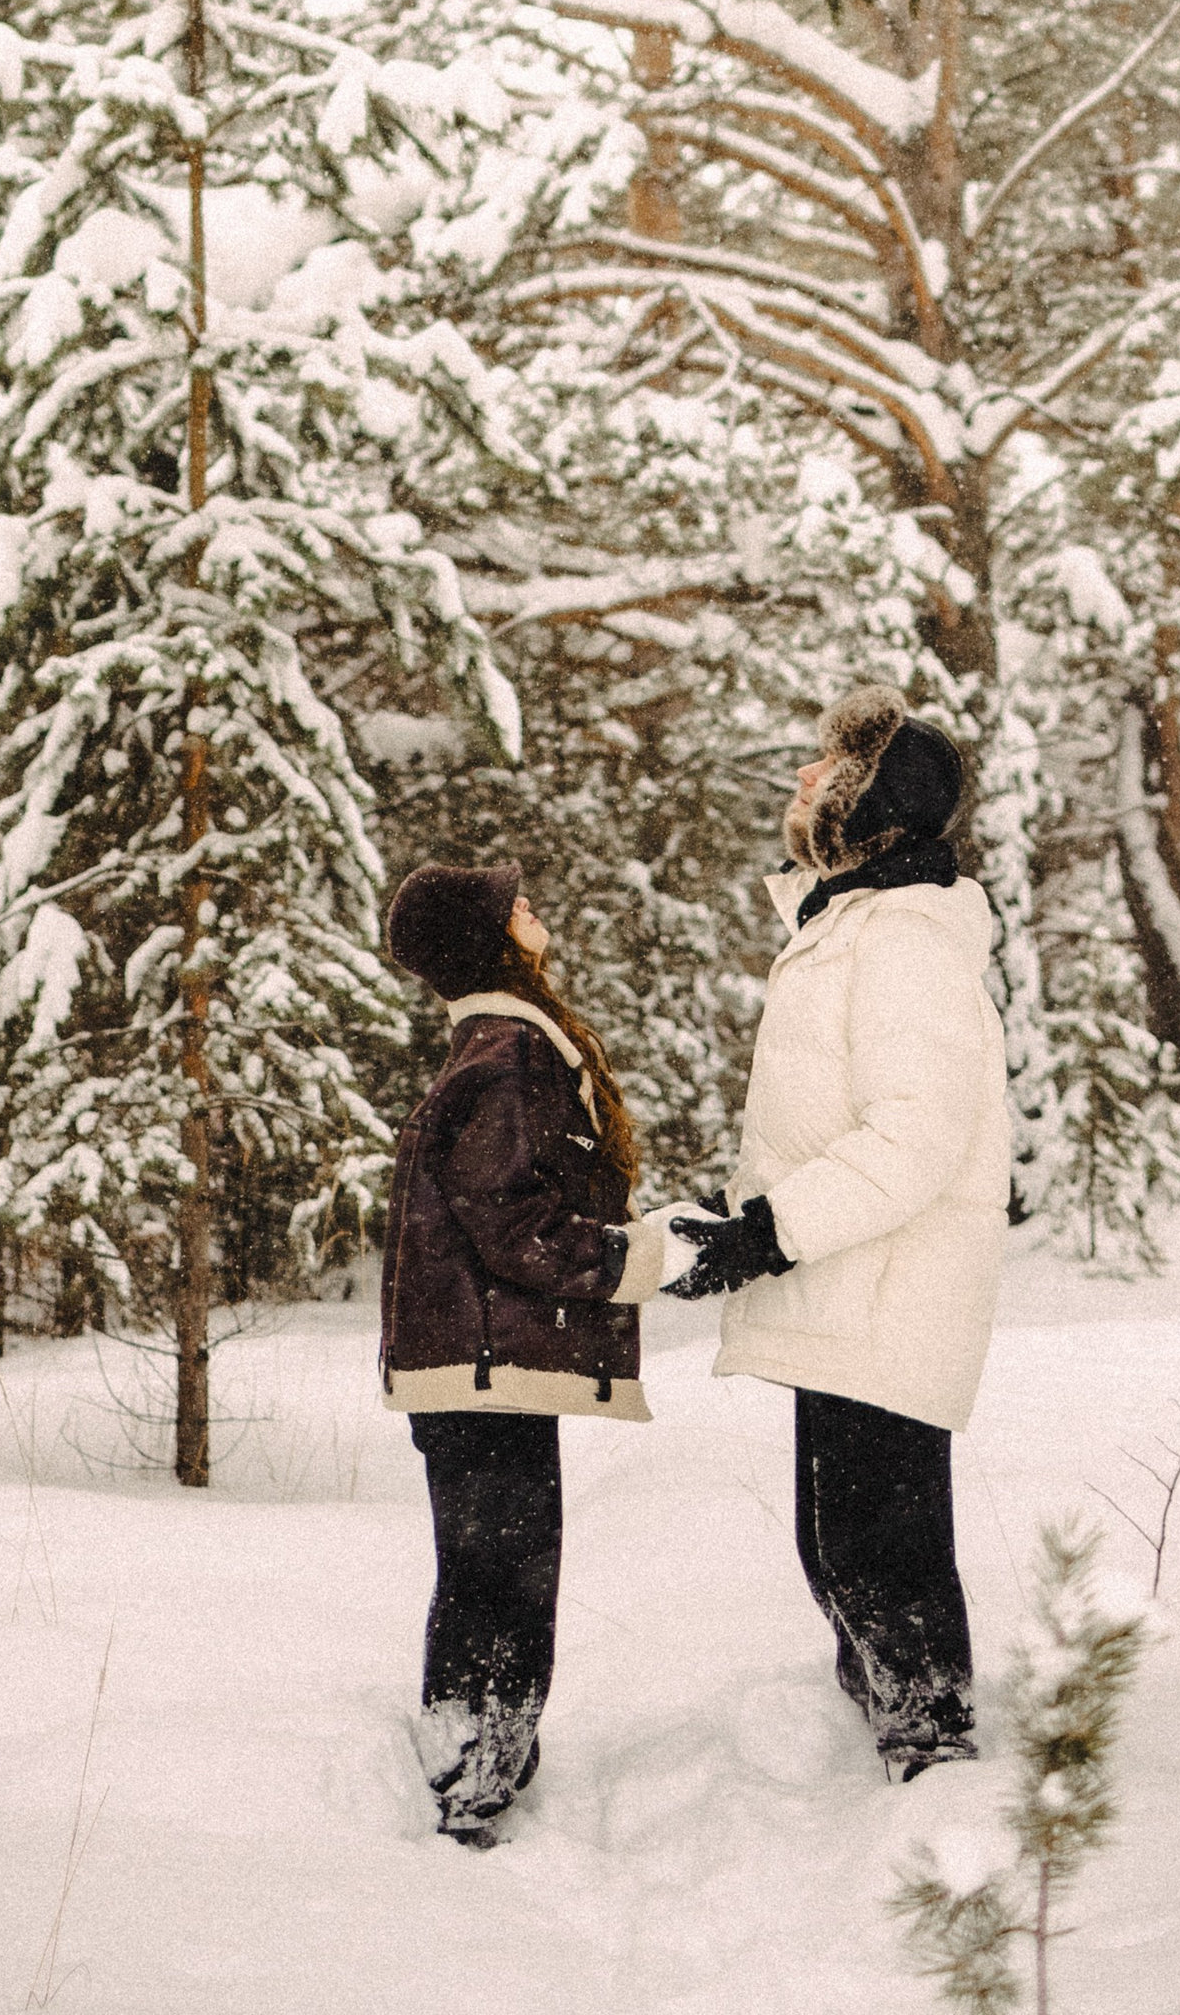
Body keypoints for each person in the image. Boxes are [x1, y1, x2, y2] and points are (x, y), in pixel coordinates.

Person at [668, 681, 1008, 1780]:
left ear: (869, 806)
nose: (802, 780)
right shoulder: (852, 923)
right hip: (845, 1287)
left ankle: (932, 1760)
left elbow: (913, 1138)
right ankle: (882, 1742)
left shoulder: (902, 939)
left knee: (882, 1555)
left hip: (885, 1293)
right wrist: (749, 1223)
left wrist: (772, 1232)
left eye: (826, 769)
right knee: (843, 1547)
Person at [378, 859, 672, 1848]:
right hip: (485, 1364)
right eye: (519, 907)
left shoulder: (490, 1042)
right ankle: (472, 1788)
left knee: (480, 1569)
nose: (537, 911)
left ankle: (465, 1762)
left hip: (473, 1361)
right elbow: (515, 1223)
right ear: (492, 939)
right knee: (502, 1574)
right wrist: (638, 1260)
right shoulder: (510, 1049)